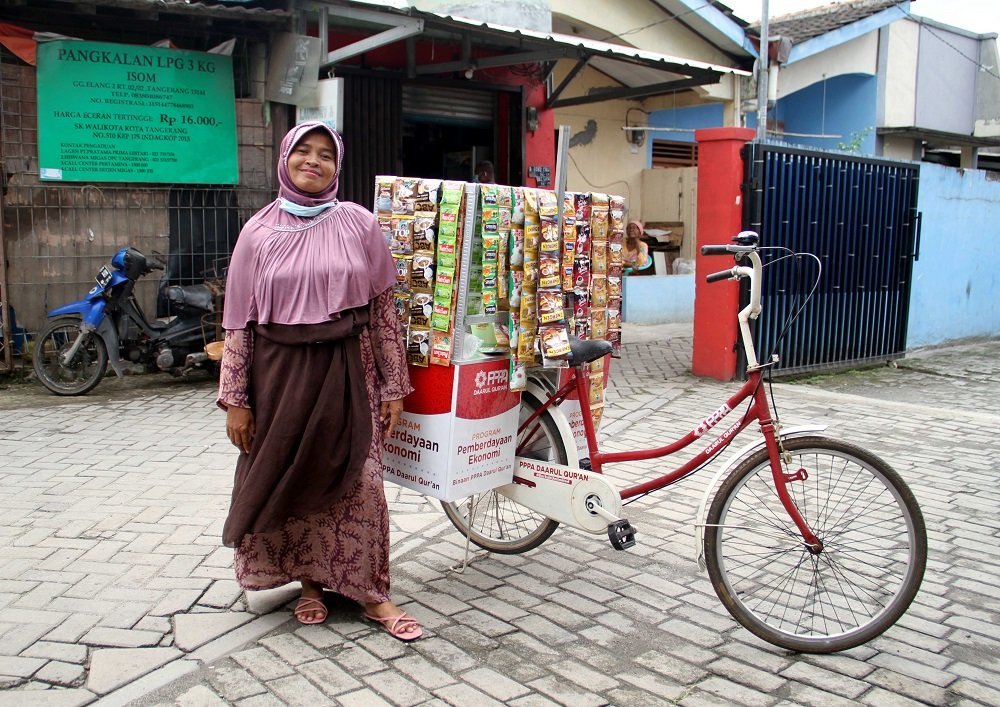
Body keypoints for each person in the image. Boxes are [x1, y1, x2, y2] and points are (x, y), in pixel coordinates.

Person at [217, 120, 422, 641]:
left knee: (362, 483)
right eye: (303, 151)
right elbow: (238, 322)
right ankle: (311, 585)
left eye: (325, 155)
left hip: (349, 370)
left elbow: (381, 311)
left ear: (337, 166)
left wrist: (395, 386)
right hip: (278, 377)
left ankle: (372, 593)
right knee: (296, 475)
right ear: (284, 158)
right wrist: (236, 400)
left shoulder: (357, 223)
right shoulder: (257, 232)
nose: (313, 161)